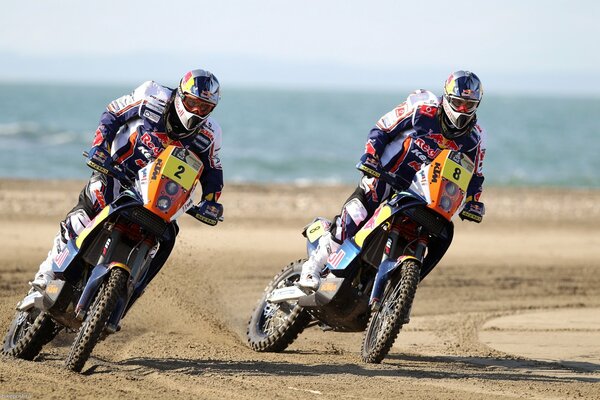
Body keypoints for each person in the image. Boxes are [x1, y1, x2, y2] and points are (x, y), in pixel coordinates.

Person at [30, 69, 225, 290]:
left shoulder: (210, 133)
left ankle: (129, 292)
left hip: (158, 196)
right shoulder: (152, 95)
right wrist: (100, 146)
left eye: (205, 107)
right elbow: (113, 114)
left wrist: (211, 200)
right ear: (181, 95)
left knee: (166, 237)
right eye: (192, 103)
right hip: (117, 172)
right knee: (87, 210)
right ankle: (45, 277)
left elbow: (213, 169)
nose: (198, 111)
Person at [298, 70, 487, 290]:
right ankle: (311, 268)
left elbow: (475, 175)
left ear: (477, 104)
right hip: (385, 176)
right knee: (355, 215)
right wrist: (371, 156)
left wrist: (474, 201)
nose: (462, 110)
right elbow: (382, 129)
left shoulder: (475, 139)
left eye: (468, 105)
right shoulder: (422, 110)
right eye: (458, 102)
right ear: (446, 97)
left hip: (422, 195)